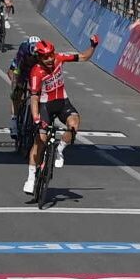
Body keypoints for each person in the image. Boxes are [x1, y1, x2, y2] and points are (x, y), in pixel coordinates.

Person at [23, 36, 99, 196]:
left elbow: (83, 57)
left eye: (51, 54)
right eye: (45, 57)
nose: (50, 59)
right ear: (39, 57)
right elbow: (35, 98)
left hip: (62, 102)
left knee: (74, 124)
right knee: (40, 141)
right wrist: (36, 118)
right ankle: (30, 179)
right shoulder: (36, 72)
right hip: (45, 106)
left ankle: (60, 150)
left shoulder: (59, 58)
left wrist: (93, 46)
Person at [7, 36, 41, 139]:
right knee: (17, 93)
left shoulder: (42, 53)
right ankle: (14, 120)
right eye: (31, 56)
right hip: (21, 69)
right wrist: (17, 86)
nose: (33, 58)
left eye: (35, 56)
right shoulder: (23, 50)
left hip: (35, 71)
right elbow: (14, 72)